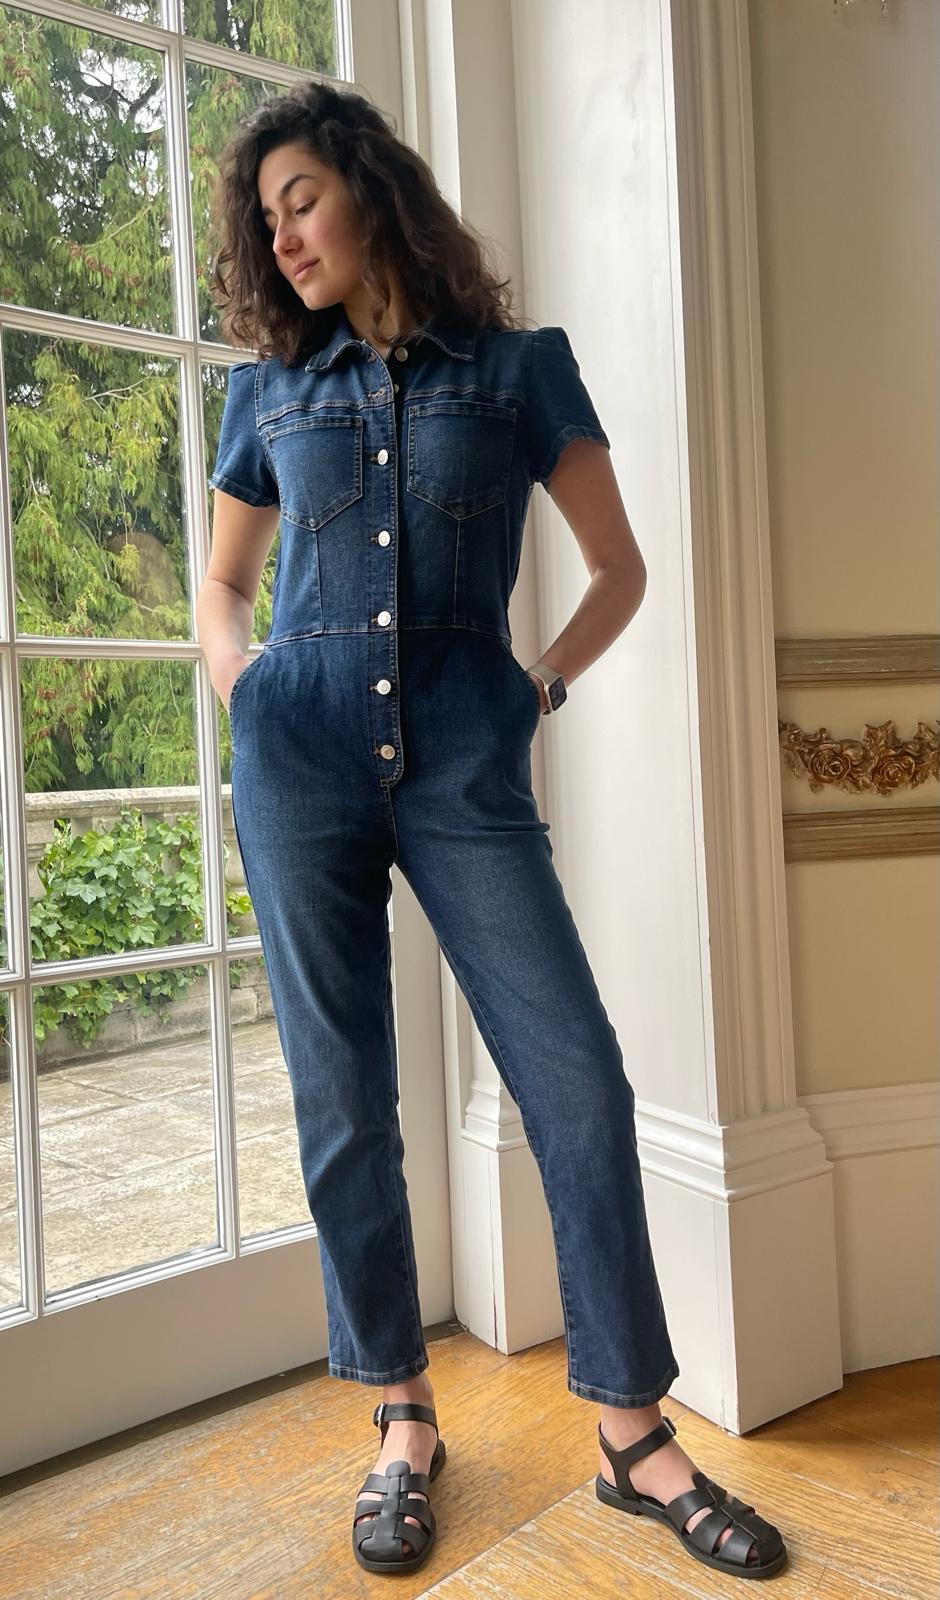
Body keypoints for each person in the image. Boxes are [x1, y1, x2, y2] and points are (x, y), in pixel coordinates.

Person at [197, 78, 787, 1582]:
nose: (284, 238)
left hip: (465, 762)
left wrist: (538, 689)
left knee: (576, 1079)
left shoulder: (521, 372)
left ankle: (632, 1436)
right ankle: (403, 1419)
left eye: (302, 201)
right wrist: (248, 691)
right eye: (267, 221)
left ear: (371, 189)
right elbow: (221, 583)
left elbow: (619, 568)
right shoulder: (270, 391)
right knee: (345, 1098)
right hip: (299, 761)